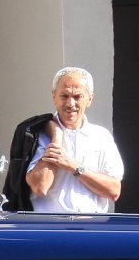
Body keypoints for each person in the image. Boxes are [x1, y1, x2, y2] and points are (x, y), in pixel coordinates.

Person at [25, 66, 124, 212]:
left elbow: (114, 191)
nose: (70, 103)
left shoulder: (101, 136)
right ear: (54, 97)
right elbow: (40, 187)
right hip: (49, 224)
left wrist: (73, 166)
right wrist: (57, 136)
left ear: (90, 99)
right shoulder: (37, 135)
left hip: (91, 223)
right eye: (64, 96)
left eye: (77, 97)